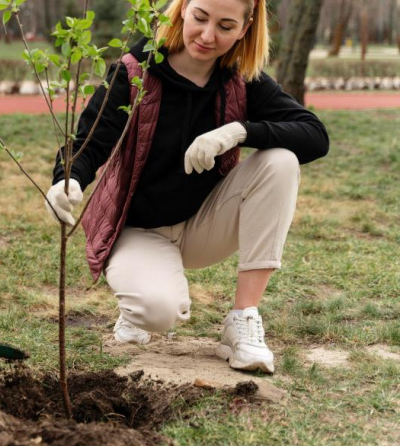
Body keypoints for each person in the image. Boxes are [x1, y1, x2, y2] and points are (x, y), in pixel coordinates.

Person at [45, 0, 328, 374]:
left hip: (204, 227)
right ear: (182, 9)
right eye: (200, 18)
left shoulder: (242, 79)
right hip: (139, 231)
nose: (208, 36)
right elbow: (89, 143)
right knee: (157, 312)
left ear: (245, 29)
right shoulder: (134, 71)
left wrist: (239, 131)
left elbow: (315, 135)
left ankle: (242, 319)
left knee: (281, 161)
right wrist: (67, 180)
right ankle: (138, 306)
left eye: (226, 26)